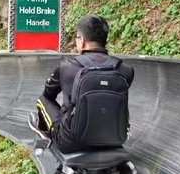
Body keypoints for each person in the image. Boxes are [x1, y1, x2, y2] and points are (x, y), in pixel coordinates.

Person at [32, 15, 134, 153]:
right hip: (114, 139)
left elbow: (48, 94)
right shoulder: (126, 70)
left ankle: (45, 134)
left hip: (71, 142)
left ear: (82, 41)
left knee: (43, 100)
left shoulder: (66, 67)